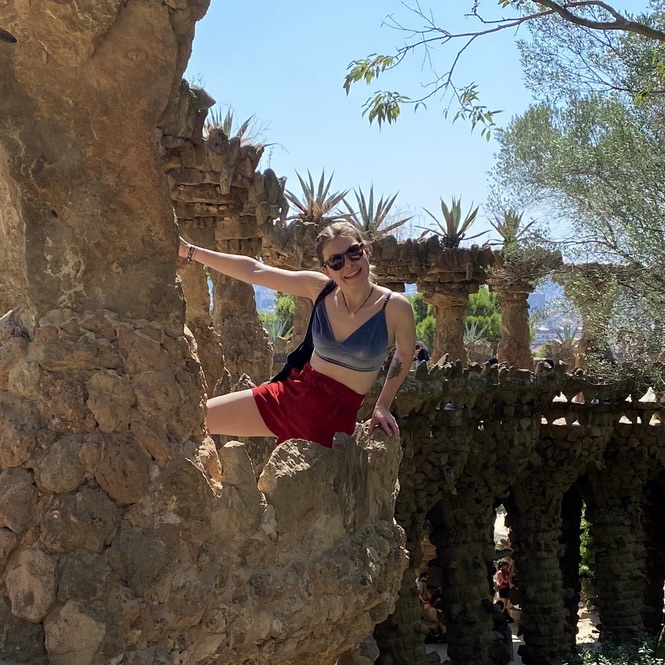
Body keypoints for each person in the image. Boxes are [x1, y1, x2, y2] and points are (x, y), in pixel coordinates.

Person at [178, 222, 416, 448]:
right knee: (198, 418)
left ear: (366, 251)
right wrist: (190, 251)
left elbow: (404, 354)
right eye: (336, 261)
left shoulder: (394, 307)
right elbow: (254, 270)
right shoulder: (320, 289)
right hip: (291, 394)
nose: (348, 265)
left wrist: (382, 406)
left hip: (331, 420)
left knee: (294, 485)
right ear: (326, 270)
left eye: (353, 252)